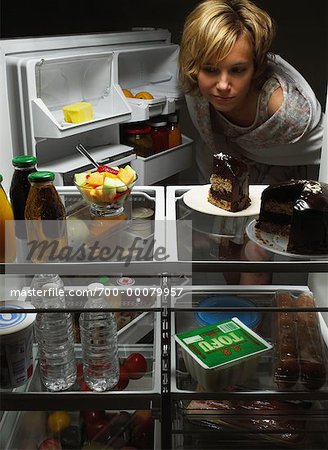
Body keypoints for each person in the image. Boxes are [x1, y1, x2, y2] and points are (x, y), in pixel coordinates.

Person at [178, 0, 324, 284]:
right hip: (230, 175)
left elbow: (319, 150)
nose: (222, 84)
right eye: (210, 69)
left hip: (280, 180)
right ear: (194, 67)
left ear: (255, 68)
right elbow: (212, 143)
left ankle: (251, 322)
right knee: (226, 255)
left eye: (237, 70)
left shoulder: (287, 112)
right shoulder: (196, 88)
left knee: (256, 254)